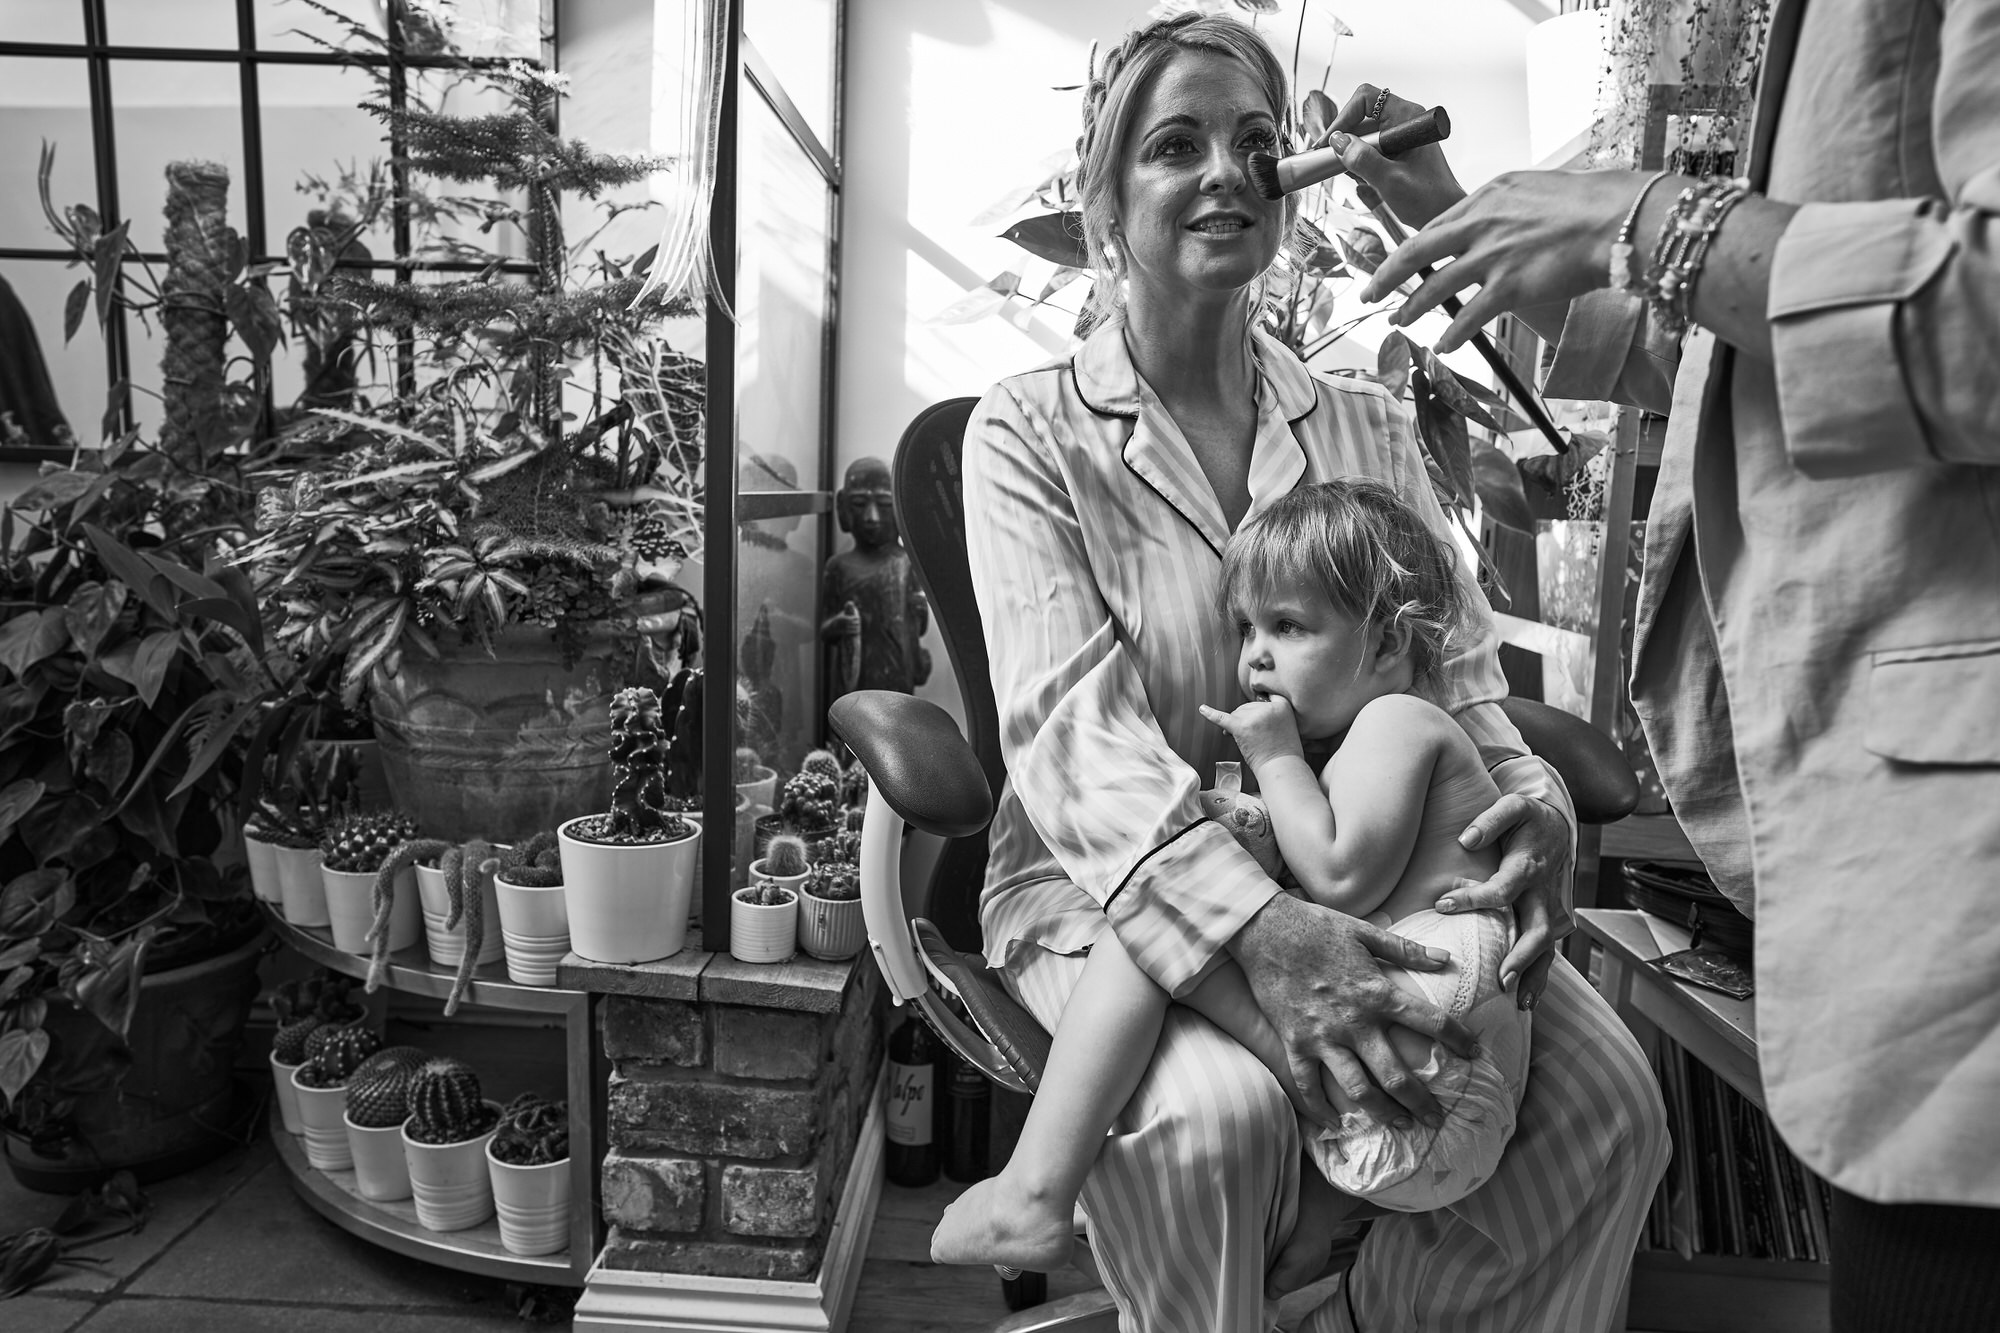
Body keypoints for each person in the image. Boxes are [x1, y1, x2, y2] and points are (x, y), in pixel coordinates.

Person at [958, 13, 1667, 1331]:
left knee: (1612, 1106)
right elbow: (1076, 751)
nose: (1227, 171)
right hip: (1102, 885)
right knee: (1213, 1125)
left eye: (1255, 142)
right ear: (1105, 199)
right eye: (1177, 145)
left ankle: (1384, 1309)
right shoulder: (1029, 433)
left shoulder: (1358, 421)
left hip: (1380, 862)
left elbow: (1449, 678)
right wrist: (1271, 937)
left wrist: (1532, 812)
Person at [1339, 4, 2000, 1327]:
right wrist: (1491, 225)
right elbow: (1773, 351)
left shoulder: (1355, 422)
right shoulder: (1032, 431)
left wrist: (1651, 225)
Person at [933, 479, 1534, 1274]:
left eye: (1288, 626)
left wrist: (1276, 759)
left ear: (1389, 644)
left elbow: (1342, 878)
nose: (1253, 654)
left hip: (1424, 1073)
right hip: (1430, 1106)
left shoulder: (1401, 721)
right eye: (1247, 627)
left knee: (1154, 927)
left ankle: (1036, 1191)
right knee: (1211, 908)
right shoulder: (1367, 739)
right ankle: (1313, 1228)